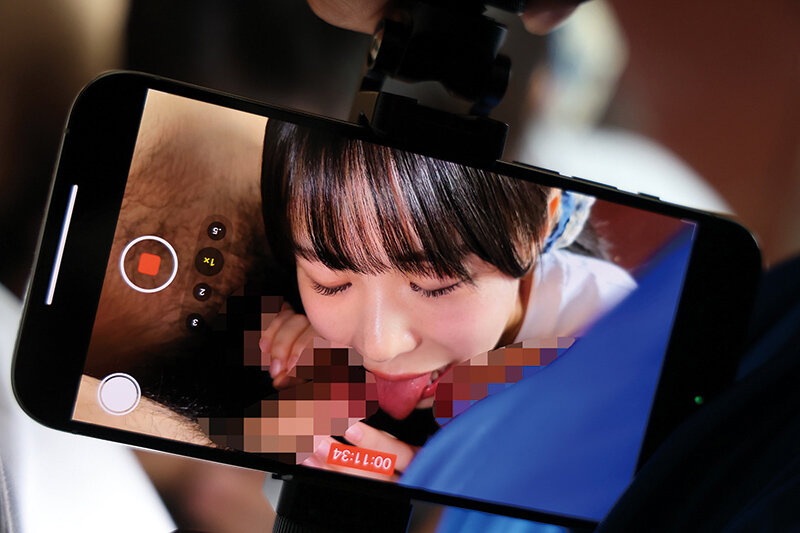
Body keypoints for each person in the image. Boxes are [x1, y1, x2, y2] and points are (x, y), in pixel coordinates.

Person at [258, 118, 636, 475]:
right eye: (330, 283)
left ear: (534, 230)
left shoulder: (618, 349)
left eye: (433, 285)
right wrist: (314, 391)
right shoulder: (288, 313)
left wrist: (452, 498)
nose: (379, 346)